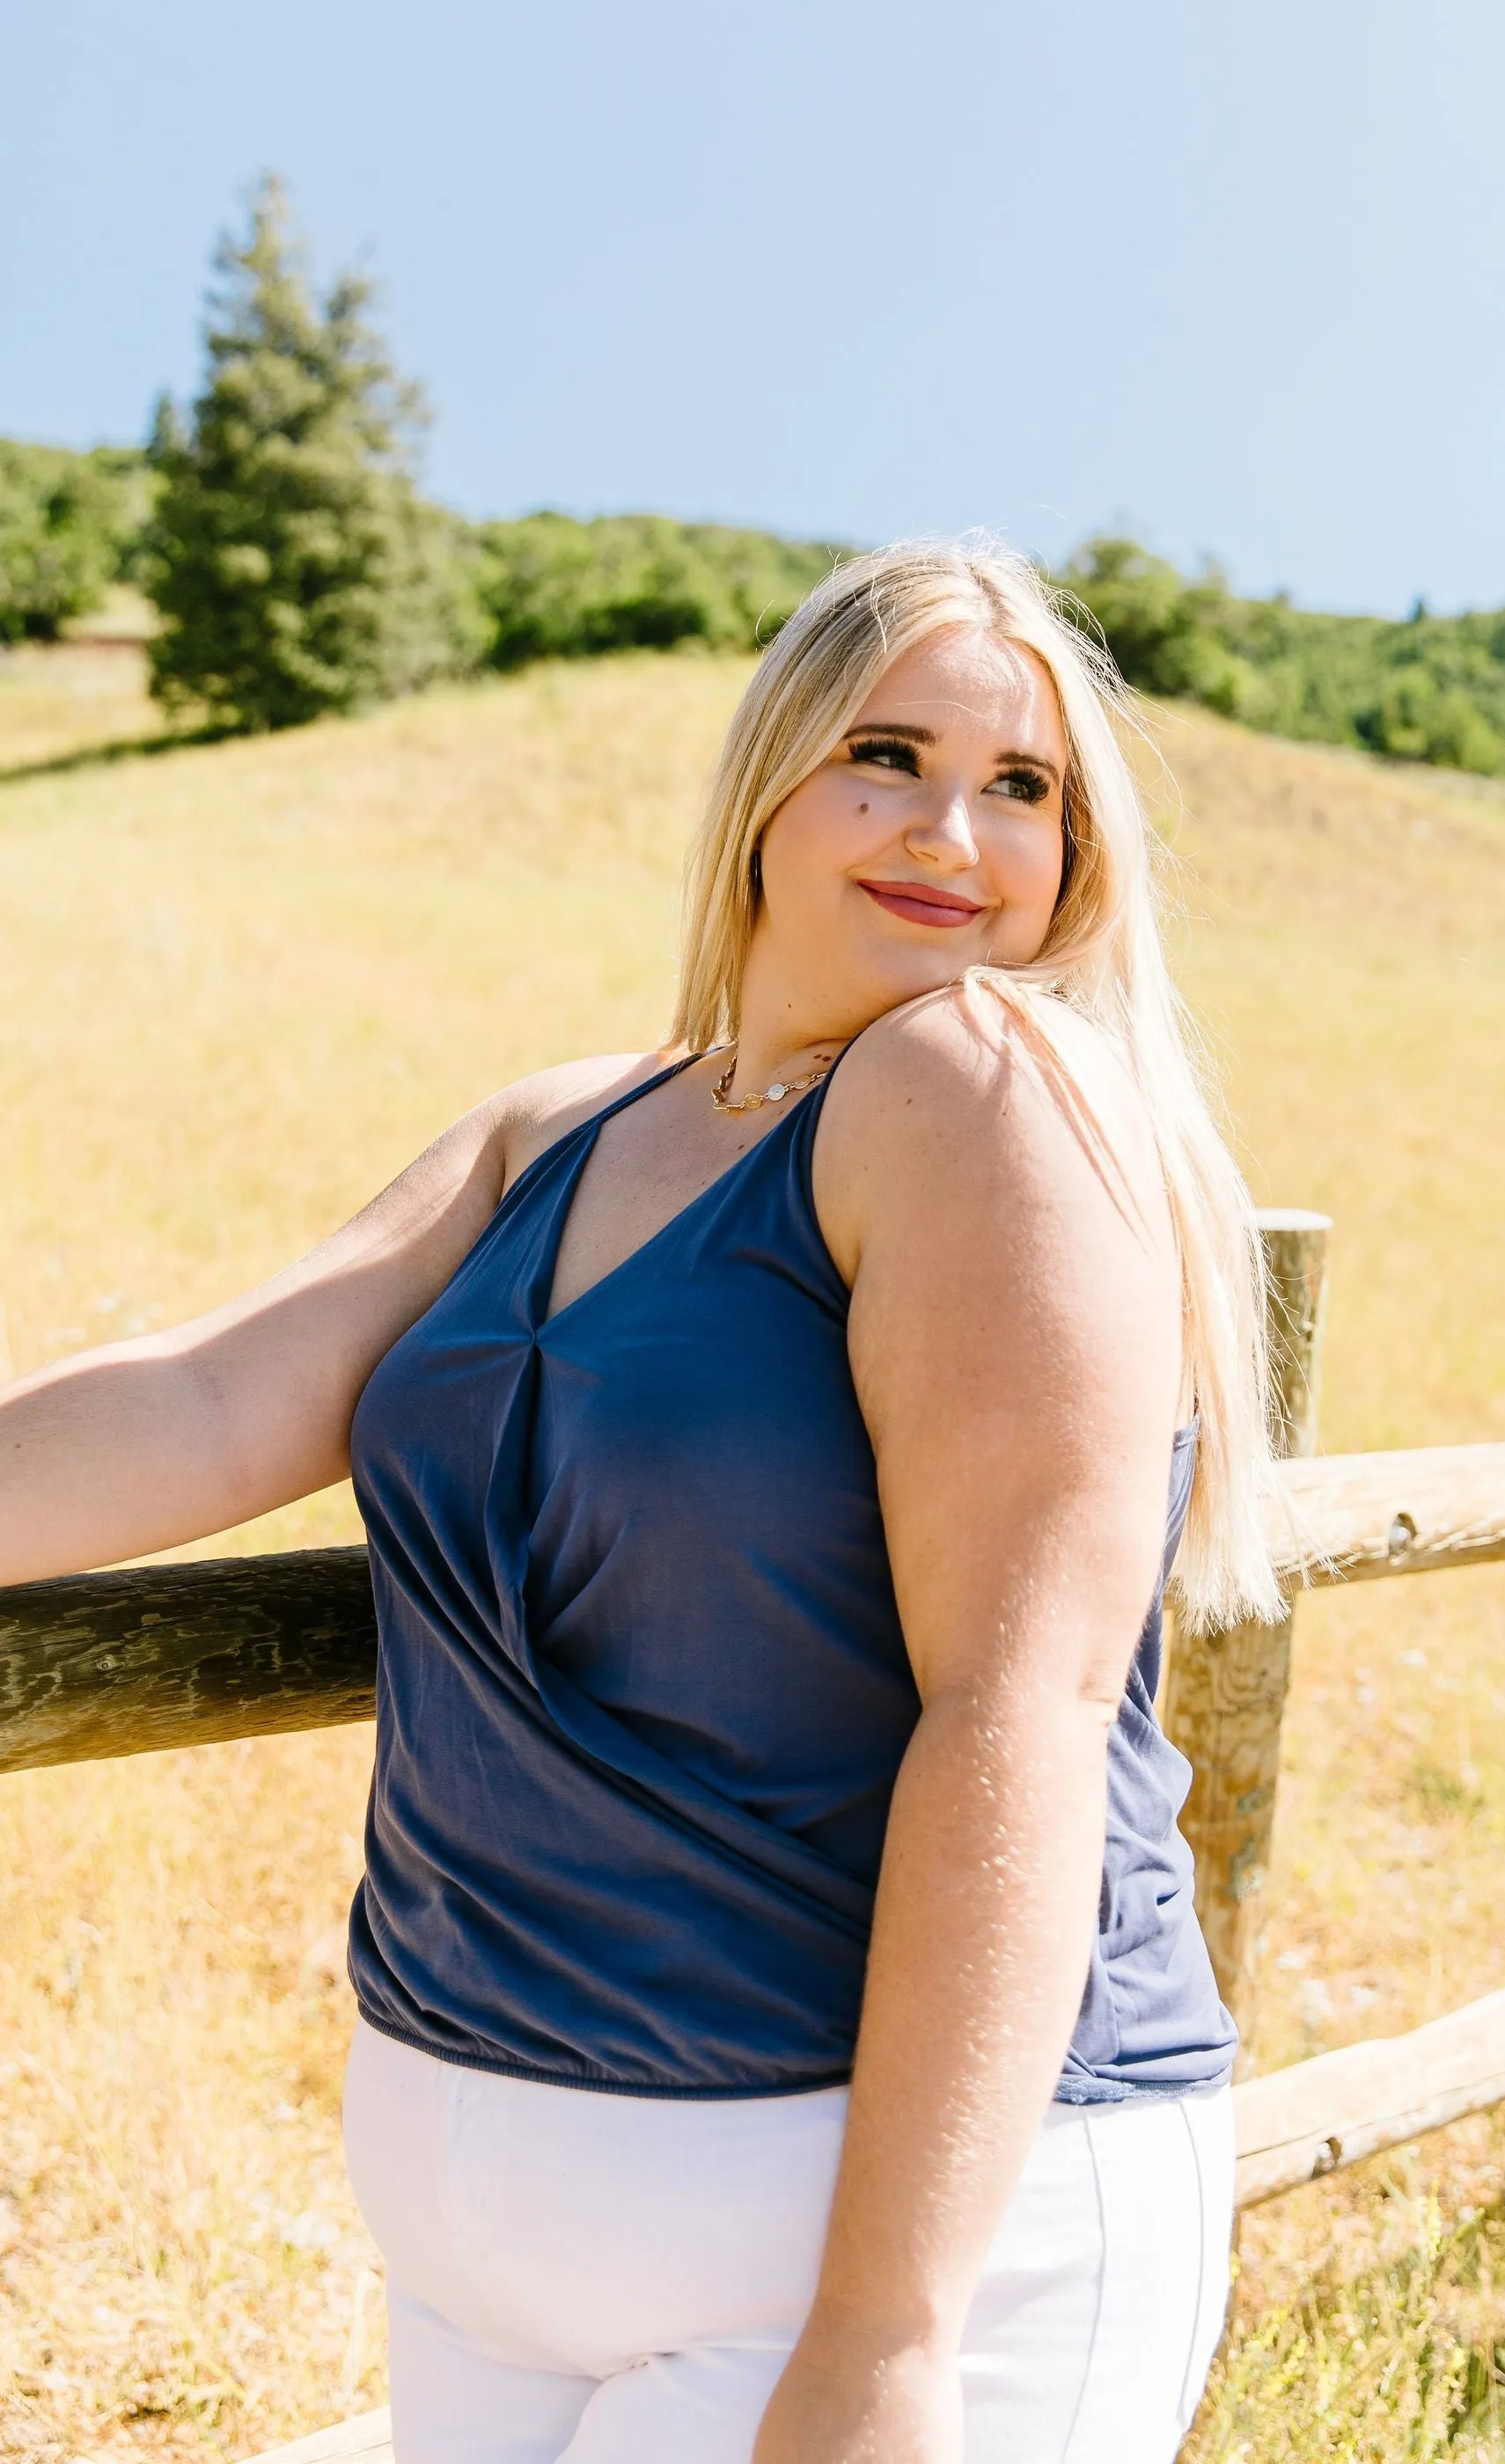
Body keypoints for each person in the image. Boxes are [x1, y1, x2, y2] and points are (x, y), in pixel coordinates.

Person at [0, 540, 1284, 2464]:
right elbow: (206, 1394)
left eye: (1024, 788)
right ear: (767, 781)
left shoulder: (984, 1086)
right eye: (887, 754)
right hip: (486, 2237)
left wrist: (887, 2335)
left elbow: (1012, 1711)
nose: (954, 829)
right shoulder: (563, 1125)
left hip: (870, 2250)